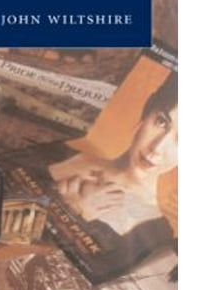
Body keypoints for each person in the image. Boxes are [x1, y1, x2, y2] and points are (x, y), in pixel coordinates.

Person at [49, 72, 178, 278]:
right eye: (161, 121)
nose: (157, 148)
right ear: (148, 108)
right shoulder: (64, 151)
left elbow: (74, 279)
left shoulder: (157, 233)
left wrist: (73, 214)